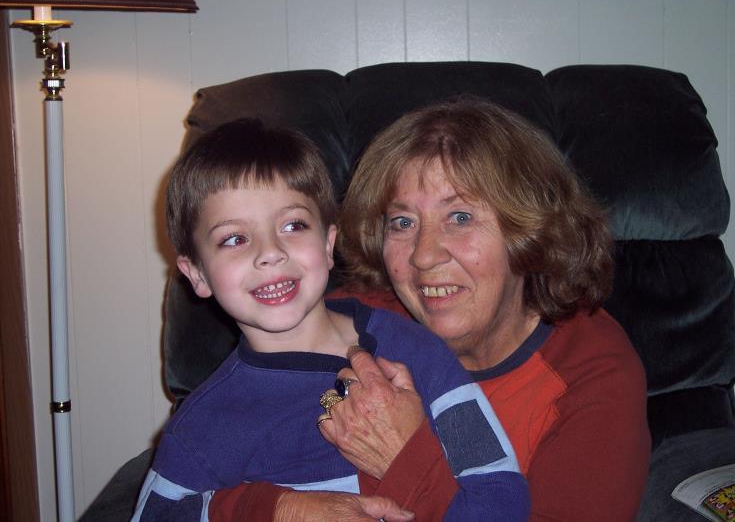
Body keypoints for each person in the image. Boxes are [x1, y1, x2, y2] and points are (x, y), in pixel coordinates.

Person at [209, 98, 651, 521]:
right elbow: (204, 458)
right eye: (402, 223)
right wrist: (280, 509)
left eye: (460, 217)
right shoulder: (350, 324)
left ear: (530, 231)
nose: (423, 256)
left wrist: (407, 459)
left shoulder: (593, 373)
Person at [131, 118, 530, 521]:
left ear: (327, 243)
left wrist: (413, 464)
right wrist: (274, 509)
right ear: (197, 274)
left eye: (293, 225)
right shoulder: (205, 424)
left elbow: (501, 496)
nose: (270, 252)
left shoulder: (416, 352)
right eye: (234, 238)